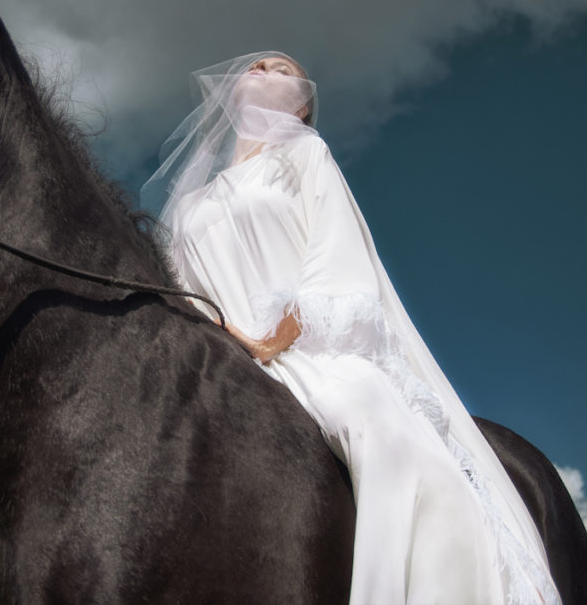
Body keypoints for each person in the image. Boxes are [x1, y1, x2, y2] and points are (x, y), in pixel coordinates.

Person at [142, 51, 562, 604]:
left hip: (308, 347)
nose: (263, 69)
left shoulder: (304, 154)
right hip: (223, 355)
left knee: (367, 420)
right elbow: (180, 286)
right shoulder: (192, 203)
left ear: (303, 105)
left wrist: (272, 342)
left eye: (282, 69)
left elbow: (333, 254)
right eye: (257, 65)